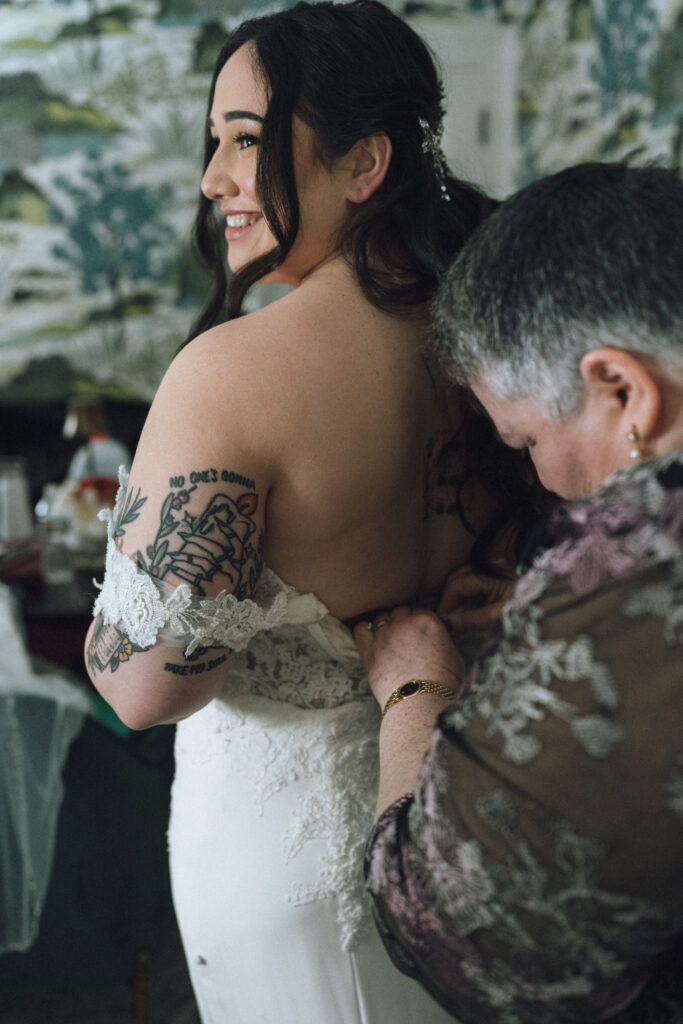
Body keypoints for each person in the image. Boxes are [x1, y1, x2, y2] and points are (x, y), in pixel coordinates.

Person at [83, 3, 541, 1021]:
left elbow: (145, 688)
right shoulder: (498, 337)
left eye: (244, 142)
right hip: (462, 828)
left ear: (362, 163)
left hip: (282, 863)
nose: (213, 182)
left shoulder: (233, 375)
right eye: (215, 146)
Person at [355, 161, 683, 1023]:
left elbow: (453, 927)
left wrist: (414, 689)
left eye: (524, 438)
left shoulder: (641, 569)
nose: (537, 475)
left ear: (623, 392)